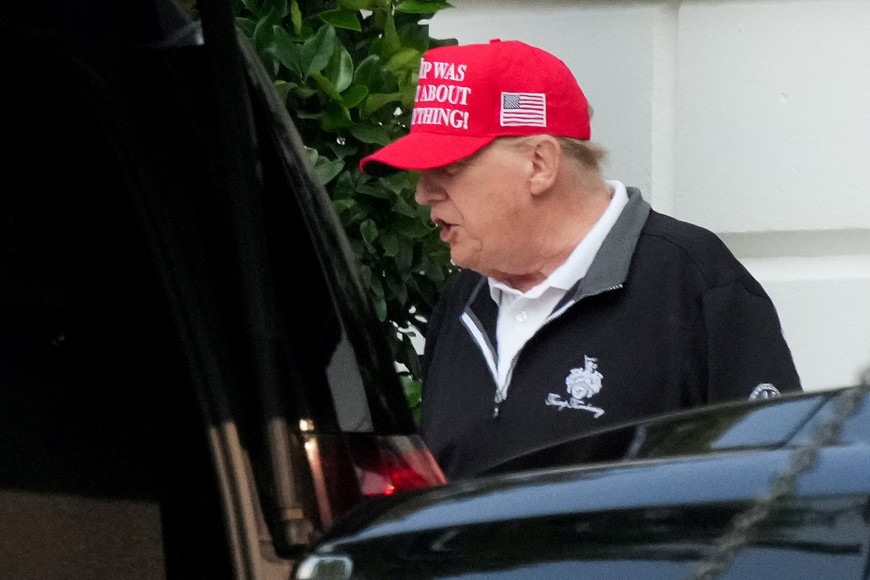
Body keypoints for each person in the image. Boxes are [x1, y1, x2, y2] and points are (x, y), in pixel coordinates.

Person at [359, 39, 802, 480]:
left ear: (539, 163)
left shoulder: (696, 285)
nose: (423, 194)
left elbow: (771, 492)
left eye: (448, 169)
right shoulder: (464, 299)